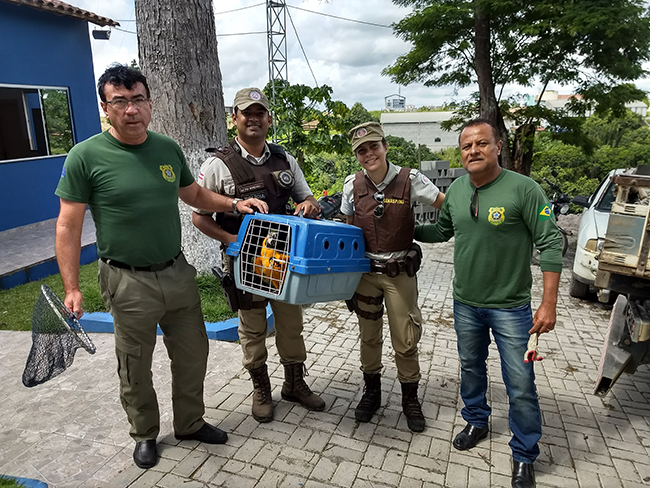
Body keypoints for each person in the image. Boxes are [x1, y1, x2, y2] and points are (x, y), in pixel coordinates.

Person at [54, 65, 268, 470]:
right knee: (135, 363)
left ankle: (189, 422)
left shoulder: (166, 149)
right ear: (106, 107)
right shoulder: (86, 156)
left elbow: (194, 193)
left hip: (176, 272)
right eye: (120, 101)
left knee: (192, 354)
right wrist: (72, 287)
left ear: (150, 104)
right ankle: (145, 434)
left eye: (138, 100)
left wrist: (233, 204)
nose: (131, 110)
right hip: (126, 279)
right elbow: (68, 224)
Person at [415, 119, 562, 488]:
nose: (473, 151)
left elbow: (551, 244)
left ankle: (525, 453)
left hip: (512, 308)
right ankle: (476, 420)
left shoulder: (524, 190)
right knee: (471, 367)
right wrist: (404, 229)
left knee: (520, 383)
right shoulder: (460, 190)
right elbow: (442, 231)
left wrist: (549, 303)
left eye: (481, 143)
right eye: (466, 146)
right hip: (466, 303)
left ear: (497, 146)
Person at [192, 87, 325, 424]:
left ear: (268, 119)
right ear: (234, 118)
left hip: (284, 262)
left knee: (291, 325)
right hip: (244, 264)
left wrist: (309, 205)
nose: (253, 118)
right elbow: (199, 216)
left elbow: (307, 199)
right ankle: (261, 389)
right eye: (245, 113)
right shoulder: (218, 166)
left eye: (259, 113)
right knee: (252, 330)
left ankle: (295, 384)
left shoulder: (285, 160)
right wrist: (230, 239)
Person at [341, 122, 444, 433]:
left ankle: (409, 398)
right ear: (357, 156)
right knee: (369, 336)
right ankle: (372, 392)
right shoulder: (352, 185)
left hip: (399, 274)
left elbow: (444, 204)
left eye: (373, 146)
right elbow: (347, 230)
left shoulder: (410, 180)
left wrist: (439, 233)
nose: (369, 153)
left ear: (385, 146)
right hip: (366, 275)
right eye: (362, 150)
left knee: (406, 338)